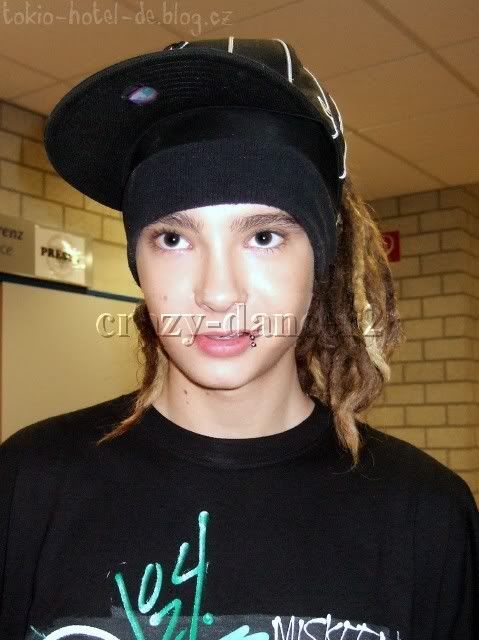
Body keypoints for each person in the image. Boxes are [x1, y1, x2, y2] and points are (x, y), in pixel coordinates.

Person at [0, 38, 477, 640]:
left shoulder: (426, 513)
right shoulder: (29, 482)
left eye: (264, 237)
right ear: (138, 263)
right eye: (174, 239)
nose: (218, 293)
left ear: (320, 259)